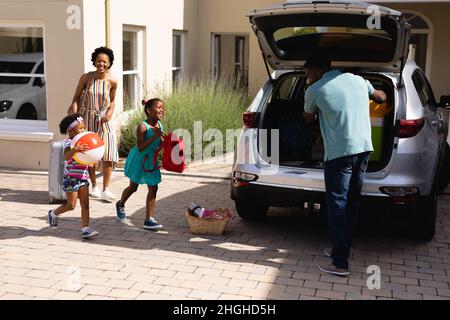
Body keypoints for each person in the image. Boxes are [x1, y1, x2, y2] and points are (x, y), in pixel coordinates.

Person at [302, 54, 386, 276]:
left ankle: (340, 263)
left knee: (337, 205)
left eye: (307, 72)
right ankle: (342, 249)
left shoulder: (314, 90)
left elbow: (307, 118)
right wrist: (376, 96)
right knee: (351, 204)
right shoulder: (357, 80)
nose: (306, 76)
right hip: (364, 149)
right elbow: (380, 96)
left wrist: (317, 98)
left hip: (340, 154)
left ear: (316, 71)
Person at [68, 46, 119, 202]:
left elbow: (112, 101)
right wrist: (76, 117)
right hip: (87, 119)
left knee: (108, 154)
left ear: (109, 63)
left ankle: (106, 189)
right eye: (98, 61)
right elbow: (76, 98)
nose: (101, 64)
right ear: (94, 62)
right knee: (90, 154)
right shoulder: (86, 78)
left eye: (104, 61)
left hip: (105, 121)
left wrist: (109, 113)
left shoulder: (112, 81)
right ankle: (95, 186)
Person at [115, 98, 166, 230]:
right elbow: (141, 146)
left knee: (153, 188)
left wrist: (169, 141)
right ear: (149, 110)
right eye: (159, 107)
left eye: (163, 108)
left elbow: (160, 143)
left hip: (151, 161)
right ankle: (120, 204)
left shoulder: (160, 126)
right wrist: (155, 136)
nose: (162, 110)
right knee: (133, 187)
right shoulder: (143, 126)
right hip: (140, 160)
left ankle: (149, 219)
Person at [48, 114, 99, 239]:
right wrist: (75, 149)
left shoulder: (85, 141)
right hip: (71, 178)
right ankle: (53, 213)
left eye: (83, 127)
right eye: (80, 128)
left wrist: (93, 161)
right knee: (71, 205)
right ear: (70, 131)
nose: (83, 130)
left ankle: (86, 229)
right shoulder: (70, 143)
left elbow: (87, 157)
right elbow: (66, 156)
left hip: (83, 177)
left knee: (85, 205)